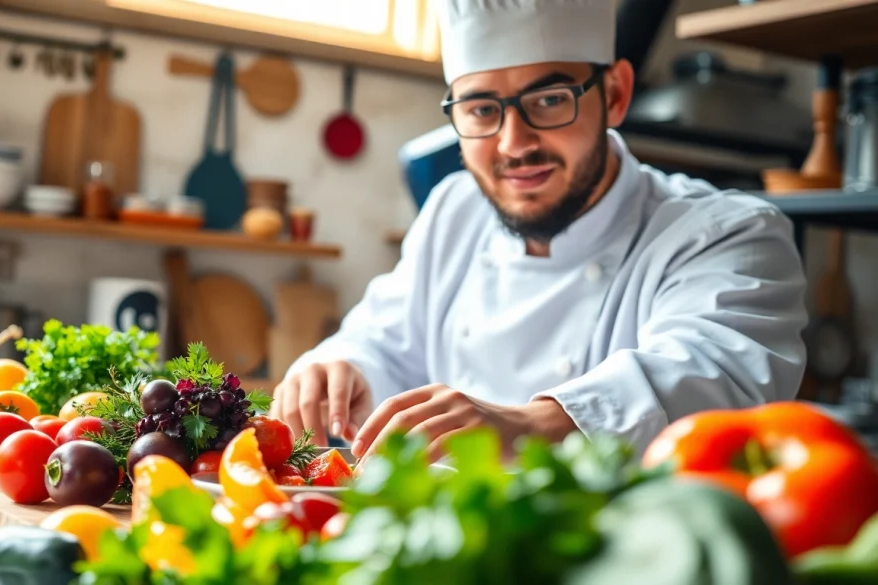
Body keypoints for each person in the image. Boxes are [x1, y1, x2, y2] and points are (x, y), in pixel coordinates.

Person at [270, 0, 808, 461]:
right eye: (481, 109)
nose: (513, 144)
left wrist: (529, 426)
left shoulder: (727, 233)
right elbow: (385, 341)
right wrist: (340, 368)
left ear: (616, 93)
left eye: (549, 100)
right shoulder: (455, 208)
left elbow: (711, 377)